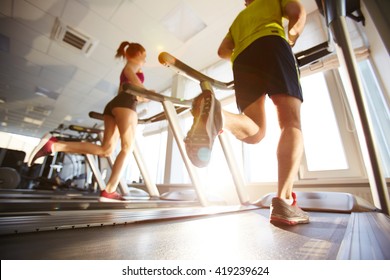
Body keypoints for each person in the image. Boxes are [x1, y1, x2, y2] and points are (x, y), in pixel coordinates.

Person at [184, 0, 309, 225]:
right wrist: (290, 37)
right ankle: (284, 200)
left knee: (255, 130)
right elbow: (298, 14)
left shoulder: (238, 21)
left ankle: (220, 115)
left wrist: (244, 49)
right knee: (291, 123)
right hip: (272, 42)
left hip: (242, 59)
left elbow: (223, 51)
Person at [28, 42, 149, 202]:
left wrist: (142, 94)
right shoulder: (131, 66)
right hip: (126, 104)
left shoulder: (131, 68)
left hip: (115, 105)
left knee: (106, 150)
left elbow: (128, 89)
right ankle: (110, 190)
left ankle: (54, 145)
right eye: (144, 55)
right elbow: (138, 90)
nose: (146, 59)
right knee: (127, 148)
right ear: (136, 54)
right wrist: (146, 94)